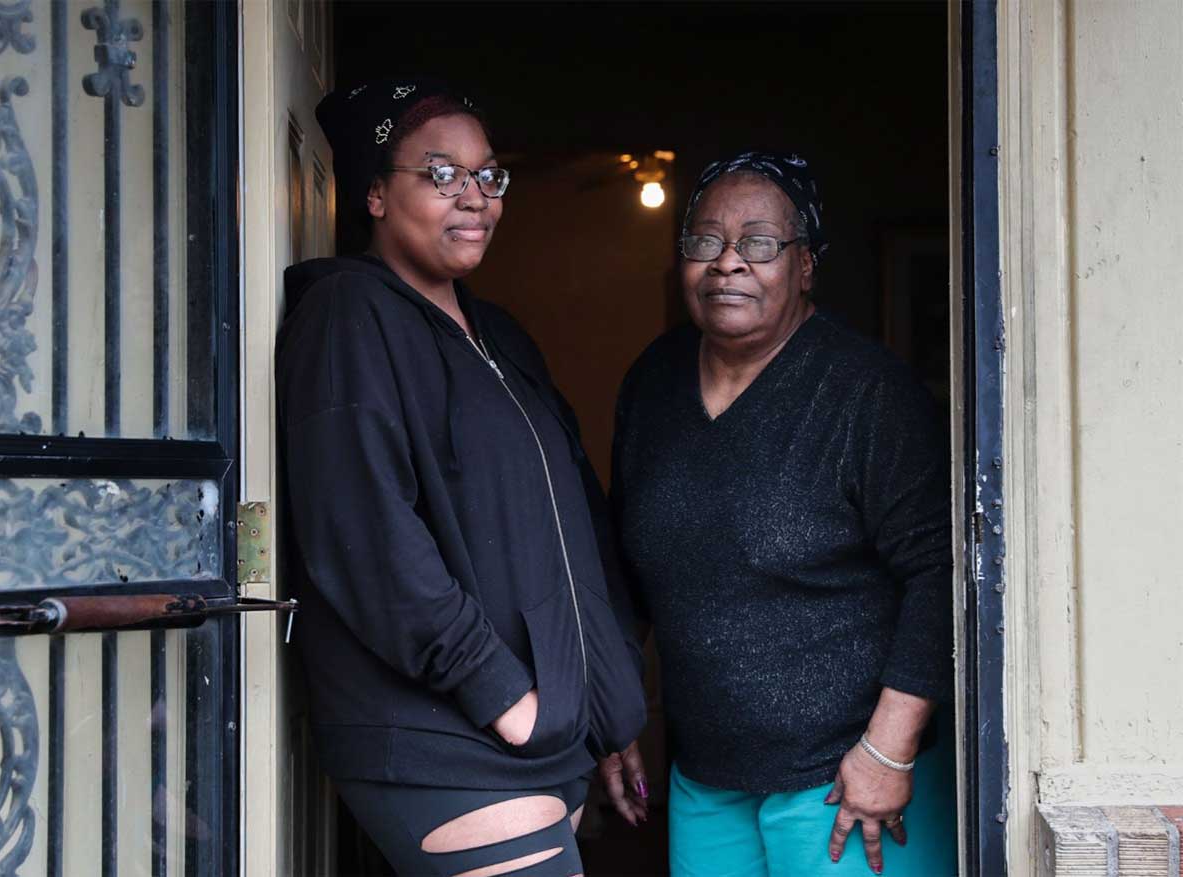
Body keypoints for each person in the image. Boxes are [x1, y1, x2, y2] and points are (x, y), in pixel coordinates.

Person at [276, 79, 647, 877]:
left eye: (488, 175)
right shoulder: (347, 316)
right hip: (446, 732)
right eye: (441, 174)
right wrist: (505, 697)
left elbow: (575, 517)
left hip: (538, 729)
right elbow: (365, 536)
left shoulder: (500, 336)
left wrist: (606, 702)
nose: (474, 196)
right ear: (375, 192)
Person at [612, 152, 957, 876]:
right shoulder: (653, 381)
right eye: (705, 241)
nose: (728, 263)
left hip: (848, 784)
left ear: (805, 266)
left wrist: (888, 749)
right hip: (705, 779)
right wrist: (613, 712)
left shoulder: (867, 393)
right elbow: (626, 565)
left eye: (760, 243)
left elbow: (939, 572)